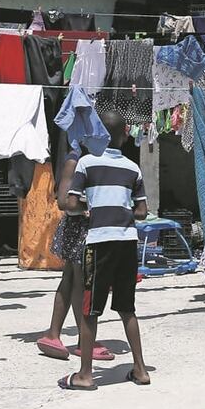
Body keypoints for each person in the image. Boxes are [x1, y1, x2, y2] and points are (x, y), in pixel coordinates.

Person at [57, 111, 151, 391]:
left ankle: (85, 375)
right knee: (127, 308)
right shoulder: (133, 168)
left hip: (99, 241)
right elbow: (143, 212)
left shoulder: (85, 164)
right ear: (124, 135)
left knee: (90, 310)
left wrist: (88, 209)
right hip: (127, 241)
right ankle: (141, 369)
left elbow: (70, 204)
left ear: (97, 134)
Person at [35, 146, 114, 363]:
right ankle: (84, 340)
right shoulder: (74, 160)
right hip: (78, 229)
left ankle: (53, 334)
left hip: (82, 228)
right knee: (81, 283)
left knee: (69, 280)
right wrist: (89, 207)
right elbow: (63, 201)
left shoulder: (92, 158)